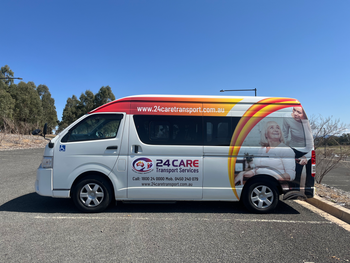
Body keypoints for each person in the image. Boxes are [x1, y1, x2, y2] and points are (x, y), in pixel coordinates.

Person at [235, 121, 295, 186]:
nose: (276, 130)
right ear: (266, 134)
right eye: (271, 128)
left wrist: (273, 178)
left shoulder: (286, 150)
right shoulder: (262, 150)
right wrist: (242, 173)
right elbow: (256, 170)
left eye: (278, 128)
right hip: (259, 184)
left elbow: (291, 174)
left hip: (276, 187)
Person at [282, 106, 313, 191]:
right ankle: (294, 192)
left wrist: (306, 157)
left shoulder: (305, 123)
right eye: (294, 110)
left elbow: (311, 143)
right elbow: (284, 133)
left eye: (299, 112)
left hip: (308, 149)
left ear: (304, 115)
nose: (295, 114)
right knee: (296, 173)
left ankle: (308, 192)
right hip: (295, 148)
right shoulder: (287, 117)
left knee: (310, 174)